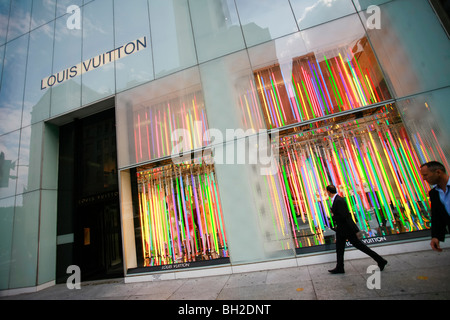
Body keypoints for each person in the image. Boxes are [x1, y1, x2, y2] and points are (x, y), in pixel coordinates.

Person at [326, 185, 387, 274]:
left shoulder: (338, 200)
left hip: (346, 229)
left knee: (360, 246)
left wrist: (333, 216)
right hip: (342, 229)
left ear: (329, 192)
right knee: (339, 248)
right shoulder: (337, 200)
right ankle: (339, 267)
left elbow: (343, 216)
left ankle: (380, 260)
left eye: (326, 191)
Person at [419, 161, 450, 252]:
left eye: (426, 175)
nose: (424, 178)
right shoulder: (434, 193)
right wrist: (436, 236)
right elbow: (437, 216)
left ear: (438, 172)